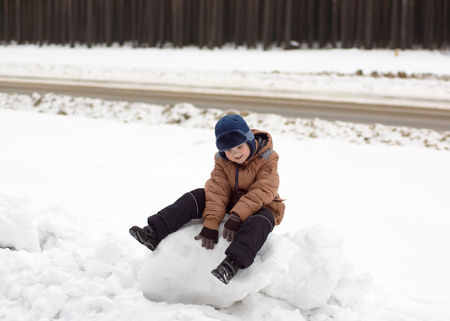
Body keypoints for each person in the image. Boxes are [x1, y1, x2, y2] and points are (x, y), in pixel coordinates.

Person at [129, 114, 285, 284]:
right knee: (198, 195)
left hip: (262, 206)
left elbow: (264, 189)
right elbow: (218, 188)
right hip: (230, 201)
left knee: (261, 221)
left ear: (248, 140)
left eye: (239, 146)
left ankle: (232, 264)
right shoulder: (222, 160)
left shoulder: (268, 157)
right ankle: (154, 232)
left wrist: (238, 216)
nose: (235, 153)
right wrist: (211, 220)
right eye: (229, 150)